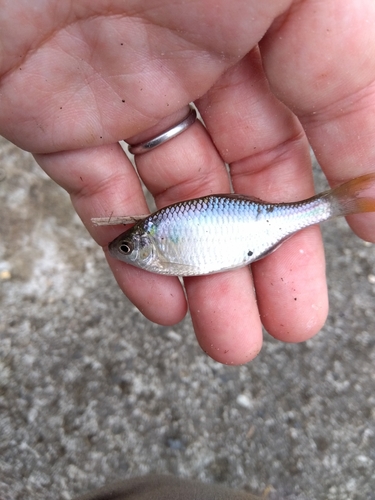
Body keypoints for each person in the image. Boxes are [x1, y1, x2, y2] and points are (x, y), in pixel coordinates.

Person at [1, 1, 374, 498]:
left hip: (248, 231)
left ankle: (332, 204)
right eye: (129, 245)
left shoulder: (159, 240)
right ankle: (335, 202)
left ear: (149, 241)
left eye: (132, 245)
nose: (126, 250)